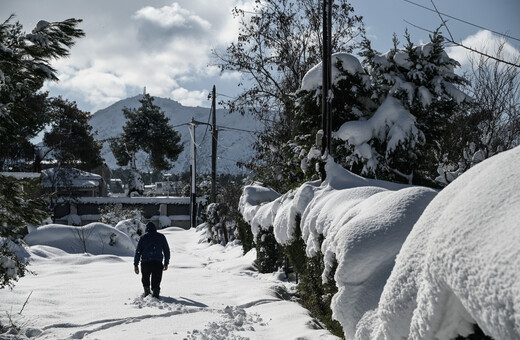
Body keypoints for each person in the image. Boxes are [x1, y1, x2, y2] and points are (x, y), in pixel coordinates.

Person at [133, 222, 170, 298]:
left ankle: (147, 292)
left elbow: (138, 252)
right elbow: (166, 251)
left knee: (145, 278)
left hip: (145, 263)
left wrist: (136, 265)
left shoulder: (143, 237)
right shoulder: (161, 237)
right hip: (157, 263)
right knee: (156, 279)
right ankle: (155, 293)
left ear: (146, 229)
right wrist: (166, 263)